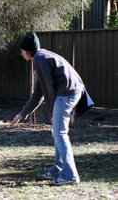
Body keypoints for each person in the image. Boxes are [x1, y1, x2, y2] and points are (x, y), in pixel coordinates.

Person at [10, 32, 84, 186]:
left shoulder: (39, 59)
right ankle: (58, 168)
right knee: (57, 132)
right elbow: (38, 93)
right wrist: (22, 114)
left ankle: (70, 176)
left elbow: (49, 90)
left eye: (22, 50)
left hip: (67, 93)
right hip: (70, 92)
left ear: (27, 51)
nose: (21, 53)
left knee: (60, 133)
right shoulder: (41, 57)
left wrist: (52, 112)